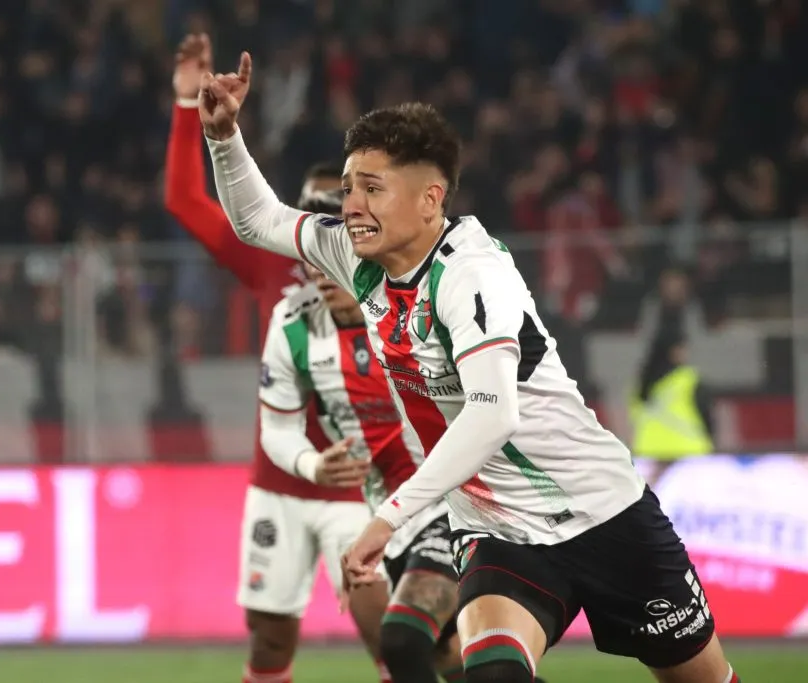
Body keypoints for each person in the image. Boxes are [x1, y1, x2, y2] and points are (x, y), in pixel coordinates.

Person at [198, 52, 742, 683]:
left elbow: (492, 414)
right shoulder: (357, 255)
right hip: (495, 530)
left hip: (602, 513)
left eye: (372, 189)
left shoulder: (472, 272)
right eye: (349, 187)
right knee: (490, 675)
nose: (351, 205)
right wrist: (223, 136)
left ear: (431, 199)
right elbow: (257, 220)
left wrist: (387, 518)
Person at [164, 34, 379, 683]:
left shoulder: (385, 275)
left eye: (332, 204)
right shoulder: (270, 260)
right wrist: (184, 105)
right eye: (308, 206)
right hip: (278, 485)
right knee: (269, 644)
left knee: (392, 633)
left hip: (363, 487)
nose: (320, 217)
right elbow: (184, 201)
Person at [260, 260, 477, 683]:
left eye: (331, 260)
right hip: (389, 513)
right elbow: (277, 427)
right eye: (312, 264)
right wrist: (313, 464)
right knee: (455, 660)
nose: (322, 275)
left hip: (453, 500)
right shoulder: (293, 321)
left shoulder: (419, 305)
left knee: (402, 639)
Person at [631, 331, 715, 487]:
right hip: (688, 450)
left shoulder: (641, 384)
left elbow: (635, 415)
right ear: (674, 350)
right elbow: (706, 414)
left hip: (650, 450)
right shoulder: (688, 378)